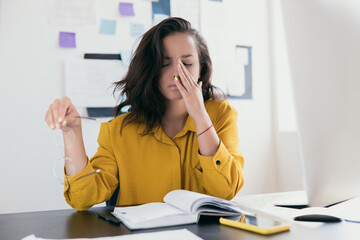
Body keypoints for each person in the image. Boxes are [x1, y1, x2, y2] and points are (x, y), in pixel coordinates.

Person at [45, 17, 244, 211]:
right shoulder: (120, 130)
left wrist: (201, 118)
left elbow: (226, 191)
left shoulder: (221, 114)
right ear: (150, 69)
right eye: (164, 63)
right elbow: (83, 198)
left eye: (188, 63)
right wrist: (72, 132)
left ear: (201, 69)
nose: (177, 72)